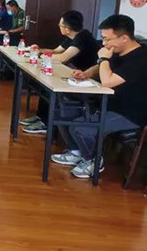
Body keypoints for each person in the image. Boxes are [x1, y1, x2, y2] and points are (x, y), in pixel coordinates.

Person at [50, 15, 146, 179]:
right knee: (61, 113)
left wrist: (103, 58)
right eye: (103, 38)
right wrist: (86, 73)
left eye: (107, 39)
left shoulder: (141, 58)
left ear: (124, 38)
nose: (104, 44)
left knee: (81, 128)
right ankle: (76, 152)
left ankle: (93, 161)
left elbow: (108, 81)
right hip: (107, 104)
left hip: (130, 113)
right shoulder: (117, 51)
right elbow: (102, 67)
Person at [21, 10, 100, 135]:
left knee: (51, 88)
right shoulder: (72, 37)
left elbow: (63, 57)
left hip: (87, 79)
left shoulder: (82, 38)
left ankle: (46, 124)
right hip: (74, 73)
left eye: (60, 25)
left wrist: (41, 56)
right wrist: (38, 50)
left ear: (67, 29)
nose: (59, 27)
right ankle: (41, 117)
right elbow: (56, 51)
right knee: (45, 85)